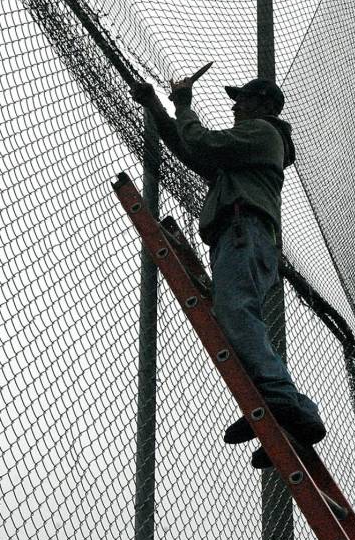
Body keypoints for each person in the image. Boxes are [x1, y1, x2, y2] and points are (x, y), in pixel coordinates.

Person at [131, 68, 326, 465]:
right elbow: (190, 150)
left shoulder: (261, 134)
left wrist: (182, 103)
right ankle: (281, 422)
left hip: (244, 230)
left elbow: (201, 142)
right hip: (239, 234)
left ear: (265, 105)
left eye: (243, 98)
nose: (235, 105)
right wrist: (156, 105)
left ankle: (291, 407)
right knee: (236, 317)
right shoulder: (243, 155)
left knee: (236, 313)